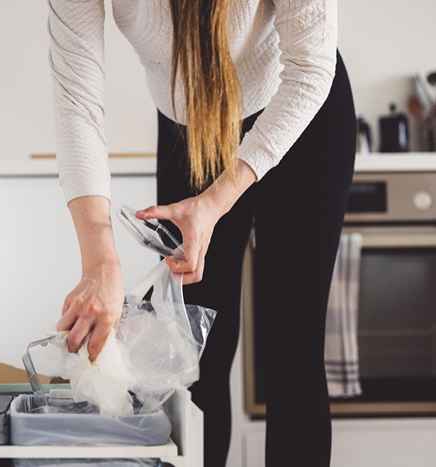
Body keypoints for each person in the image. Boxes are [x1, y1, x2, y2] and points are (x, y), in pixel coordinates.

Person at [48, 1, 355, 465]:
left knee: (292, 352)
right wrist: (100, 263)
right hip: (190, 131)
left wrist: (214, 203)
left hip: (296, 116)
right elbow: (76, 100)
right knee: (192, 359)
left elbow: (311, 69)